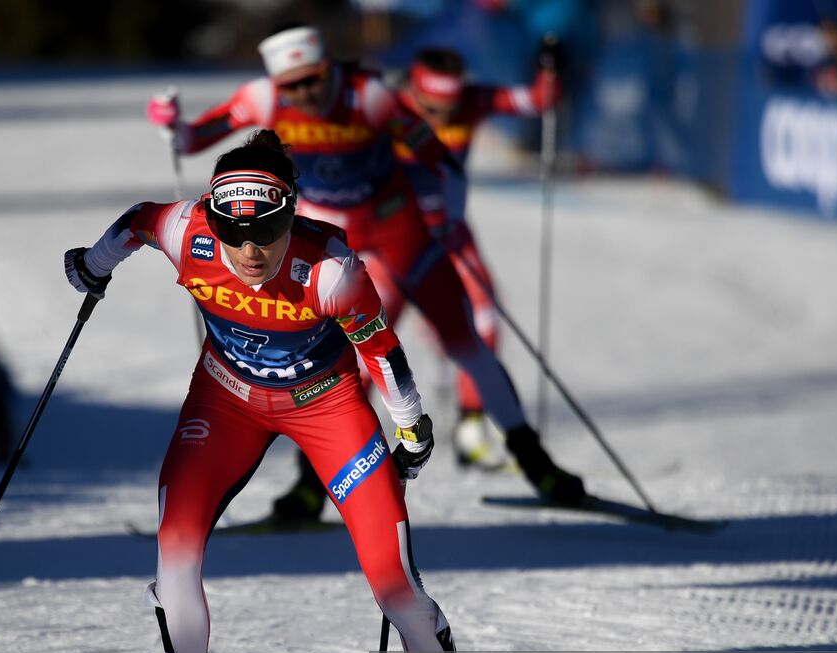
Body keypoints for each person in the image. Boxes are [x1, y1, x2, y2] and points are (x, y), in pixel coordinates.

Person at [64, 130, 538, 653]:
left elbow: (383, 352)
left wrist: (411, 429)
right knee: (174, 556)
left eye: (268, 231)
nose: (250, 250)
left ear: (293, 214)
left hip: (328, 407)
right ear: (212, 217)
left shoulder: (331, 268)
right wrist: (93, 263)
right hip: (226, 402)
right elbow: (140, 220)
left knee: (395, 582)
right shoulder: (184, 230)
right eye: (234, 233)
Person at [147, 24, 584, 522]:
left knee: (464, 341)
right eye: (293, 86)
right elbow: (193, 138)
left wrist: (450, 217)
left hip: (401, 232)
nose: (305, 95)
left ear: (329, 68)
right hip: (334, 244)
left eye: (313, 80)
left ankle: (533, 459)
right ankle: (311, 487)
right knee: (339, 360)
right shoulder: (263, 98)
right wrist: (171, 123)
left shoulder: (369, 97)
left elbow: (438, 157)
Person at [395, 42, 560, 468]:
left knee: (485, 320)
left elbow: (539, 101)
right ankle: (332, 460)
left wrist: (549, 70)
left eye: (450, 110)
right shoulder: (385, 109)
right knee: (367, 336)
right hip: (394, 241)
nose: (442, 119)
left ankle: (471, 430)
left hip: (451, 235)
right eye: (432, 109)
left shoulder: (472, 102)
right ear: (414, 90)